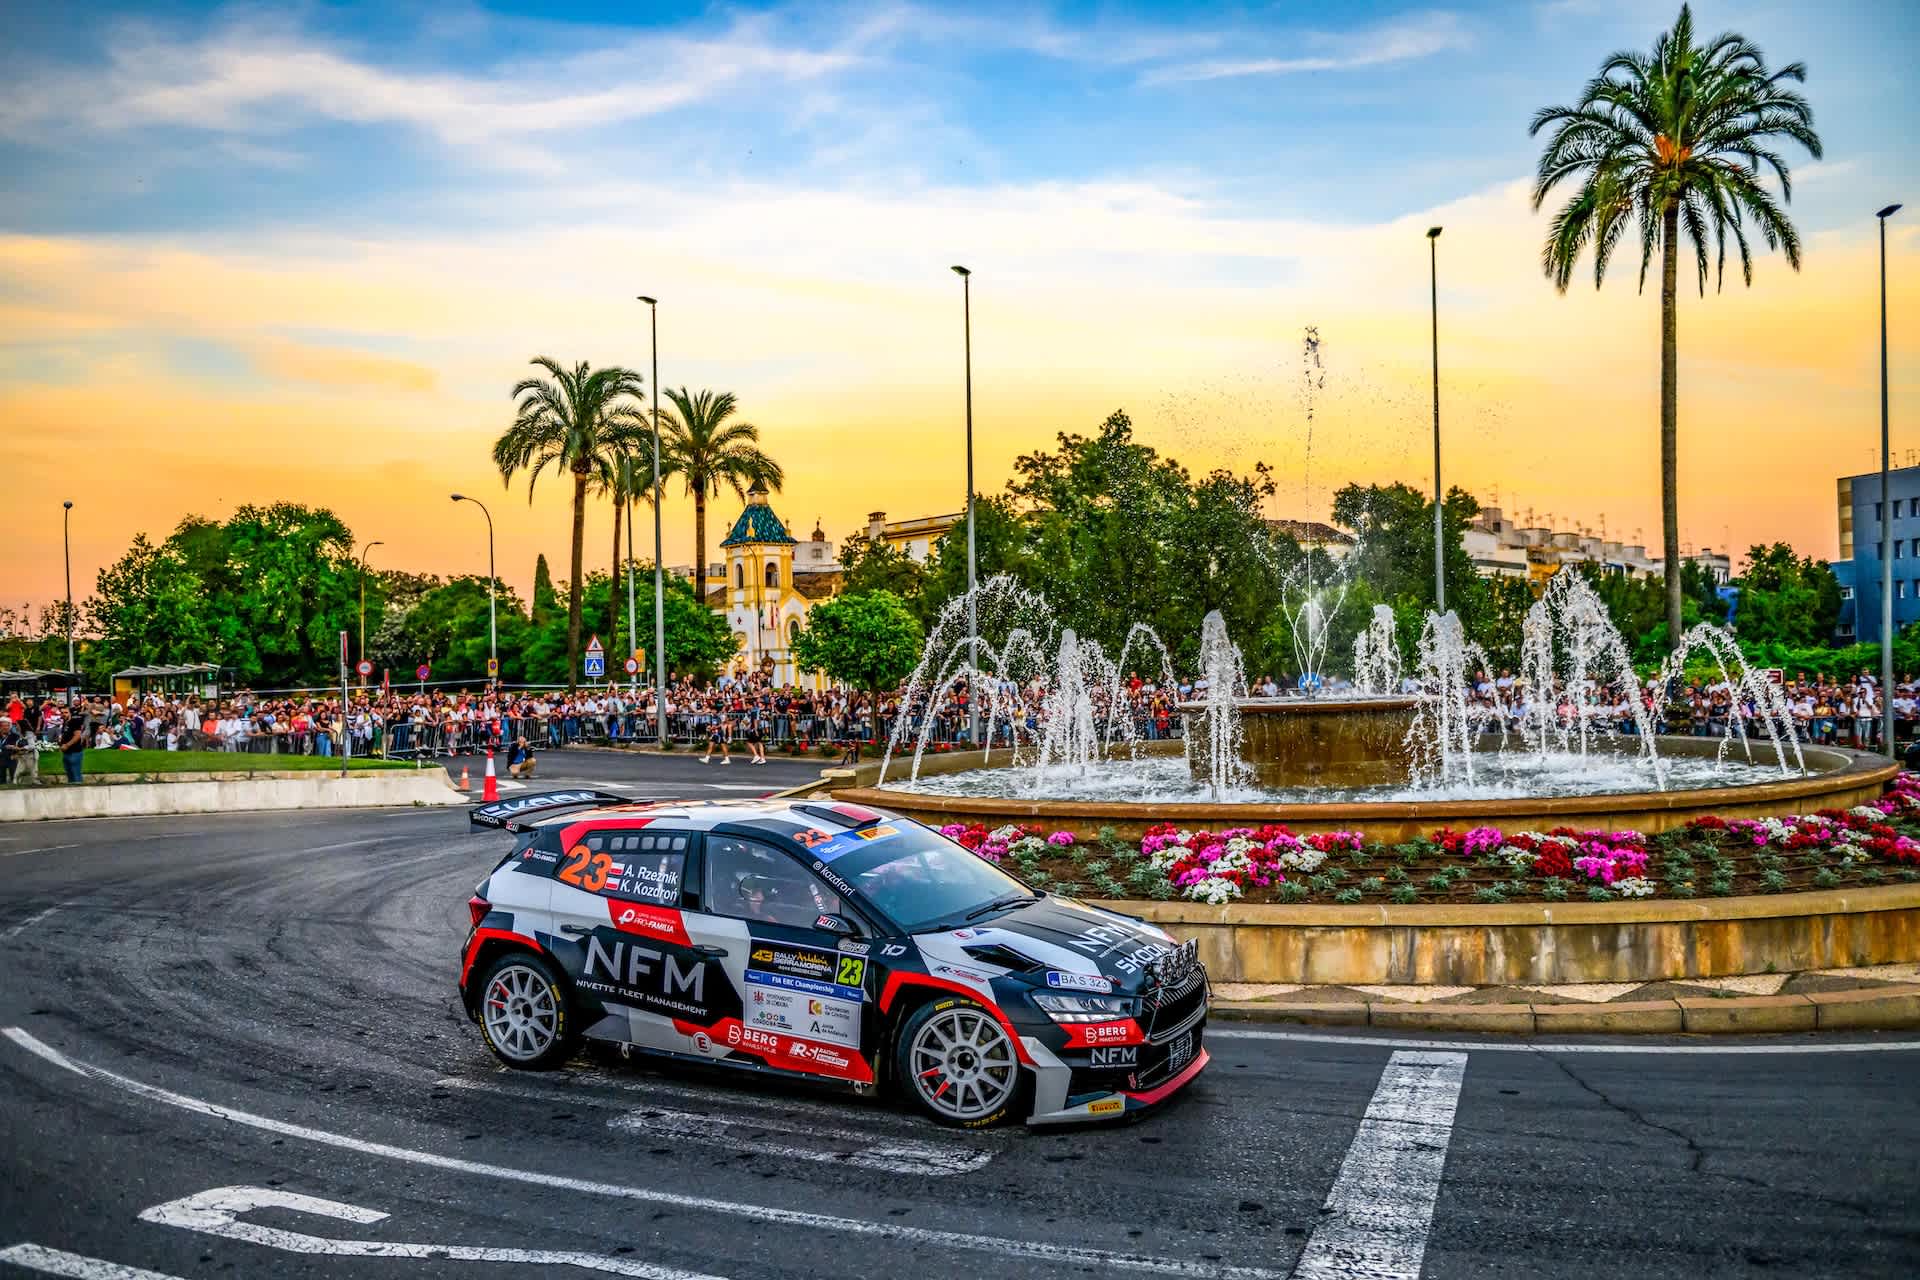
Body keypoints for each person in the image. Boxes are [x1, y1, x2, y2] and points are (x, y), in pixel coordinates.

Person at [59, 712, 89, 784]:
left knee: (76, 775)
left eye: (66, 712)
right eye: (62, 713)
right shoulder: (65, 723)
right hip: (66, 752)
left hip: (74, 752)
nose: (64, 714)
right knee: (70, 775)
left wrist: (67, 745)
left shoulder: (74, 721)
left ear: (70, 713)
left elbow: (77, 736)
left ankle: (78, 790)